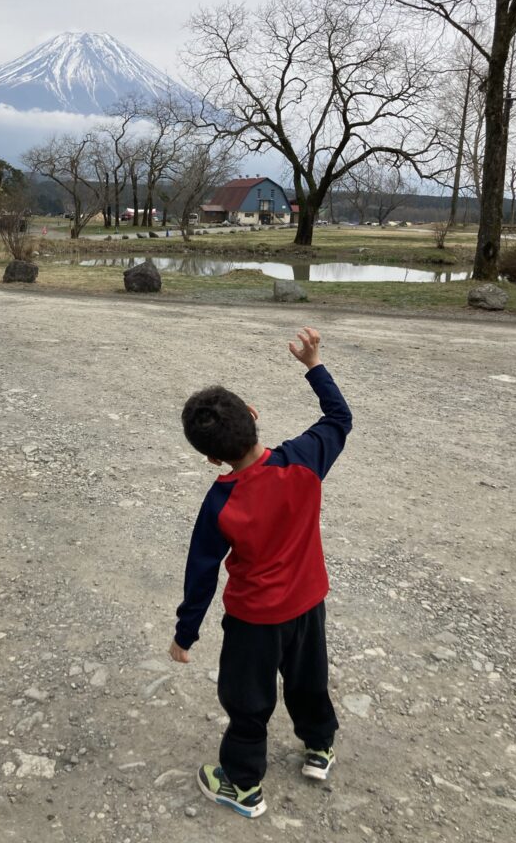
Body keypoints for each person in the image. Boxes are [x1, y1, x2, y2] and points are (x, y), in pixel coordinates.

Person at [168, 327, 352, 819]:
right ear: (253, 415)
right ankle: (319, 748)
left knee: (247, 699)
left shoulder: (220, 501)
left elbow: (201, 574)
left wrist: (185, 633)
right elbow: (340, 417)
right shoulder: (304, 461)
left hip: (254, 620)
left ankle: (243, 784)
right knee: (309, 678)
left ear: (211, 458)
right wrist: (314, 365)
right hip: (308, 604)